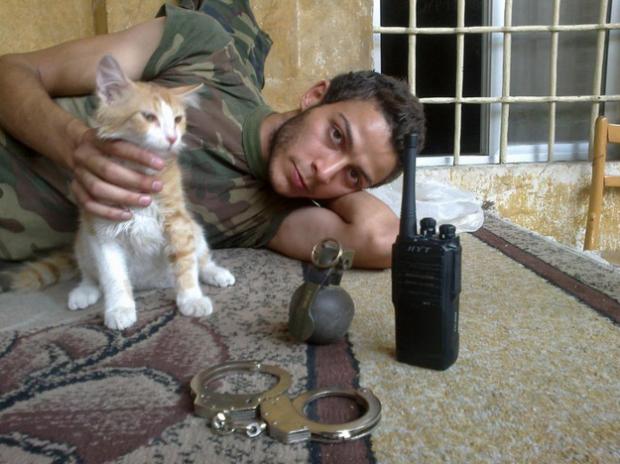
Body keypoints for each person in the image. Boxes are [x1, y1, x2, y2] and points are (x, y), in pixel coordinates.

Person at [0, 3, 425, 269]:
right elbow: (13, 71)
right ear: (314, 96)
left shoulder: (266, 219)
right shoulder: (205, 53)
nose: (324, 170)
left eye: (353, 176)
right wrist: (74, 144)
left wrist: (332, 180)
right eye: (336, 135)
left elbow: (382, 238)